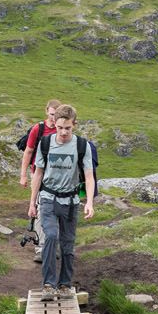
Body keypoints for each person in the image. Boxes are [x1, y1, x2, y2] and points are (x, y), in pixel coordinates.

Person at [28, 104, 95, 301]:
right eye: (59, 128)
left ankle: (65, 284)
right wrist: (32, 202)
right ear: (54, 124)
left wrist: (89, 202)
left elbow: (89, 177)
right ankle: (49, 284)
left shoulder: (82, 146)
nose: (63, 132)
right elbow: (38, 173)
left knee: (67, 244)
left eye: (68, 128)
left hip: (71, 201)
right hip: (48, 199)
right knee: (50, 236)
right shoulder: (46, 143)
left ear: (74, 125)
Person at [18, 99, 61, 263]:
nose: (53, 119)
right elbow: (28, 152)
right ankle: (41, 249)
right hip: (39, 174)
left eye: (56, 115)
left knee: (57, 208)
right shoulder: (39, 129)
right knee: (39, 208)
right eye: (51, 115)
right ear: (46, 112)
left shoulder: (62, 130)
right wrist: (23, 175)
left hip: (58, 176)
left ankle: (52, 245)